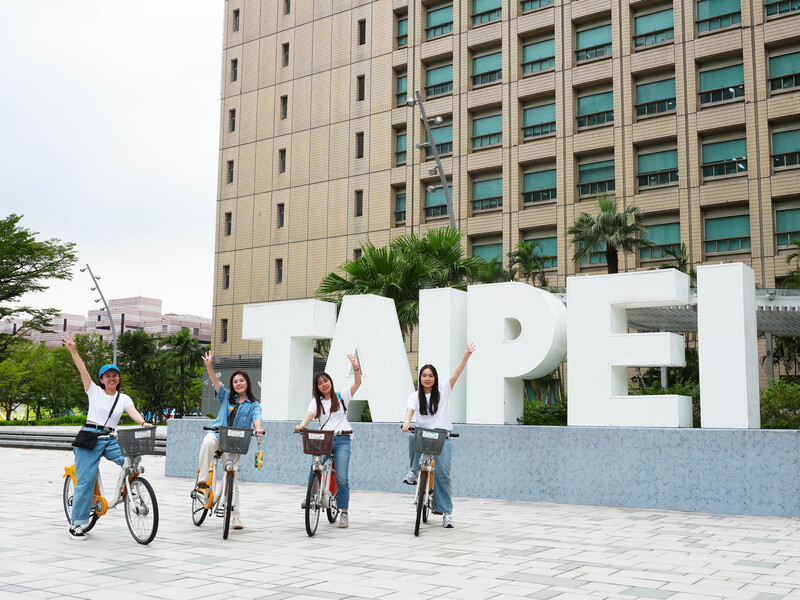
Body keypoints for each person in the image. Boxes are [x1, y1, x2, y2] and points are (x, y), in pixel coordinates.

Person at [62, 333, 152, 540]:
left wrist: (143, 423)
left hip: (110, 439)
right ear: (102, 380)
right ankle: (76, 524)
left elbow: (134, 412)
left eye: (115, 375)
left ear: (118, 378)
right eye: (107, 376)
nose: (111, 378)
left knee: (131, 462)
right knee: (85, 480)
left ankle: (129, 491)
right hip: (90, 437)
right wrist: (73, 350)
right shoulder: (93, 390)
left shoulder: (124, 398)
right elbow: (82, 370)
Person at [402, 343, 476, 529]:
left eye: (430, 376)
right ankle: (413, 471)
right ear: (420, 378)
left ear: (435, 378)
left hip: (442, 436)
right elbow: (410, 411)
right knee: (412, 437)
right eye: (424, 376)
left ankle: (447, 513)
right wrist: (407, 422)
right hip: (422, 434)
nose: (427, 378)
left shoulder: (443, 391)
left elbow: (456, 375)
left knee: (443, 475)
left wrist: (465, 357)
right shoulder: (415, 395)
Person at [197, 350, 264, 531]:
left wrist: (258, 429)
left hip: (235, 443)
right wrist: (209, 365)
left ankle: (235, 516)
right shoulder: (227, 396)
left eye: (241, 381)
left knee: (232, 478)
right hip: (219, 435)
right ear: (232, 385)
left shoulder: (253, 404)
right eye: (235, 381)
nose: (238, 384)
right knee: (208, 442)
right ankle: (203, 484)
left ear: (247, 383)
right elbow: (215, 382)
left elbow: (257, 418)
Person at [295, 354, 361, 529]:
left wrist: (356, 367)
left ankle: (344, 512)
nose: (324, 384)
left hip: (342, 438)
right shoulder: (316, 402)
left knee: (341, 477)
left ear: (330, 382)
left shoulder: (341, 397)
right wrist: (302, 425)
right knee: (315, 466)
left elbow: (357, 384)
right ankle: (311, 497)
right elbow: (309, 414)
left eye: (326, 381)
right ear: (317, 387)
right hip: (323, 440)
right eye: (320, 383)